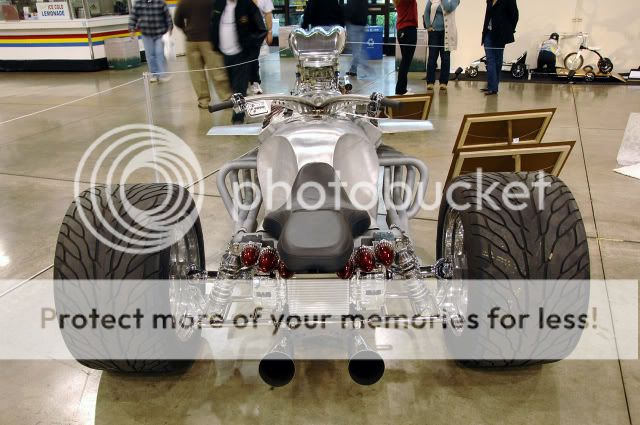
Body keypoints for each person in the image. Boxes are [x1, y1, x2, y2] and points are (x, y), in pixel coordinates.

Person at [209, 0, 267, 124]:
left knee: (239, 88)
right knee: (233, 87)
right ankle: (240, 110)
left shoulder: (248, 5)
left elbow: (261, 29)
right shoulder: (218, 4)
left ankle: (238, 117)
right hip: (225, 55)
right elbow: (213, 24)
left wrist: (250, 48)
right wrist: (214, 44)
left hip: (242, 55)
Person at [174, 0, 233, 108]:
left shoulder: (183, 2)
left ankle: (203, 101)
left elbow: (177, 21)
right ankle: (227, 98)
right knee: (217, 70)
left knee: (196, 73)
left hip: (191, 41)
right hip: (209, 40)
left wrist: (186, 30)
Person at [129, 0, 173, 82]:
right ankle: (154, 74)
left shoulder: (161, 2)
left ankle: (162, 74)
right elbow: (133, 17)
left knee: (159, 53)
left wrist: (170, 28)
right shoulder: (138, 3)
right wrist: (132, 29)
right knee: (150, 55)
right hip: (146, 34)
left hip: (160, 33)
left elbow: (168, 16)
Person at [481, 0, 519, 95]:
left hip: (501, 34)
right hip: (488, 33)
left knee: (497, 60)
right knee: (490, 59)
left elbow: (515, 15)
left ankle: (493, 86)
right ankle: (492, 86)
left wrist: (509, 30)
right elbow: (488, 15)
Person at [424, 0, 459, 92]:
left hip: (447, 33)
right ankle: (430, 82)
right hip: (434, 33)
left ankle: (443, 82)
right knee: (432, 57)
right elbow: (426, 12)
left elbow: (448, 8)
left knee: (445, 58)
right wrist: (428, 26)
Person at [248, 0, 274, 95]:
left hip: (255, 30)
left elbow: (268, 14)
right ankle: (241, 83)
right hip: (238, 28)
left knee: (253, 58)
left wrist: (269, 32)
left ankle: (254, 82)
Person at [394, 0, 418, 95]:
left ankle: (402, 88)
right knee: (406, 62)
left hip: (401, 31)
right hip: (409, 31)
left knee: (405, 61)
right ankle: (401, 89)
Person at [345, 0, 372, 78]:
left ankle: (365, 65)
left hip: (354, 24)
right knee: (356, 49)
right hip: (362, 24)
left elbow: (350, 8)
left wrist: (346, 20)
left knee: (354, 50)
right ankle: (353, 70)